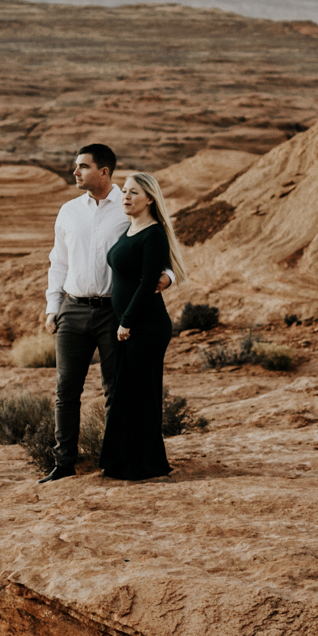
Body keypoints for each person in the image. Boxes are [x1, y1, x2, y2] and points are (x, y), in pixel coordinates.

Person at [41, 144, 169, 483]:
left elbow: (154, 244)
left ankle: (113, 460)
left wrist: (167, 276)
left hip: (114, 313)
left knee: (116, 390)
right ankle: (63, 462)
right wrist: (53, 307)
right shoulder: (68, 211)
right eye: (76, 166)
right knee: (66, 390)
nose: (75, 172)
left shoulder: (128, 206)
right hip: (72, 308)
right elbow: (59, 262)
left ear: (104, 172)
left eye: (83, 166)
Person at [101, 172, 186, 481]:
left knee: (141, 394)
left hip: (145, 327)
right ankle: (123, 462)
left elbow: (149, 282)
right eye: (124, 191)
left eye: (133, 192)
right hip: (131, 326)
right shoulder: (129, 229)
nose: (125, 196)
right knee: (127, 393)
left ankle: (146, 465)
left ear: (149, 198)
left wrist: (126, 321)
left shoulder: (154, 234)